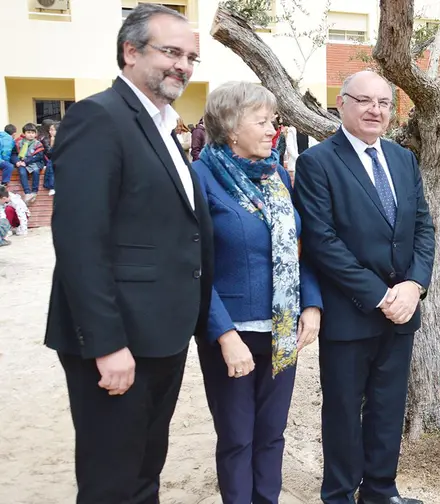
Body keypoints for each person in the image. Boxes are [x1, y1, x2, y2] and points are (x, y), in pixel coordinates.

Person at [43, 5, 214, 503]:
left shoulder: (163, 124)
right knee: (112, 481)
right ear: (131, 51)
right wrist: (106, 344)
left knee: (144, 472)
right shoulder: (99, 117)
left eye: (190, 57)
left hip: (163, 334)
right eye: (172, 52)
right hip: (118, 343)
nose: (182, 65)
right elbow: (79, 242)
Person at [294, 70, 435, 504]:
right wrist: (379, 295)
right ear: (342, 104)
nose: (376, 110)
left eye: (384, 103)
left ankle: (379, 491)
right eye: (365, 101)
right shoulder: (316, 162)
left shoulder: (403, 159)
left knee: (388, 409)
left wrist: (413, 285)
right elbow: (322, 241)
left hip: (403, 311)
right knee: (341, 411)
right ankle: (338, 494)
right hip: (350, 312)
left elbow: (423, 228)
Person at [191, 81, 323, 503]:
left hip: (282, 330)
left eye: (274, 121)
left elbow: (298, 248)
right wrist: (224, 335)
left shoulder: (277, 175)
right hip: (231, 334)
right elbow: (193, 266)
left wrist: (313, 305)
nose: (273, 130)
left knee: (271, 435)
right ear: (231, 128)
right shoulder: (201, 178)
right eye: (262, 122)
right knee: (236, 438)